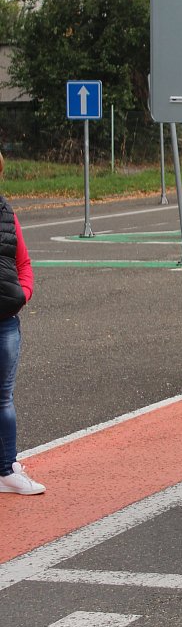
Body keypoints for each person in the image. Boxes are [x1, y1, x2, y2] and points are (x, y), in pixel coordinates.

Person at [0, 151, 43, 496]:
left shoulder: (7, 214)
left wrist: (22, 294)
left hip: (5, 321)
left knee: (3, 398)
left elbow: (24, 263)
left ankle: (6, 470)